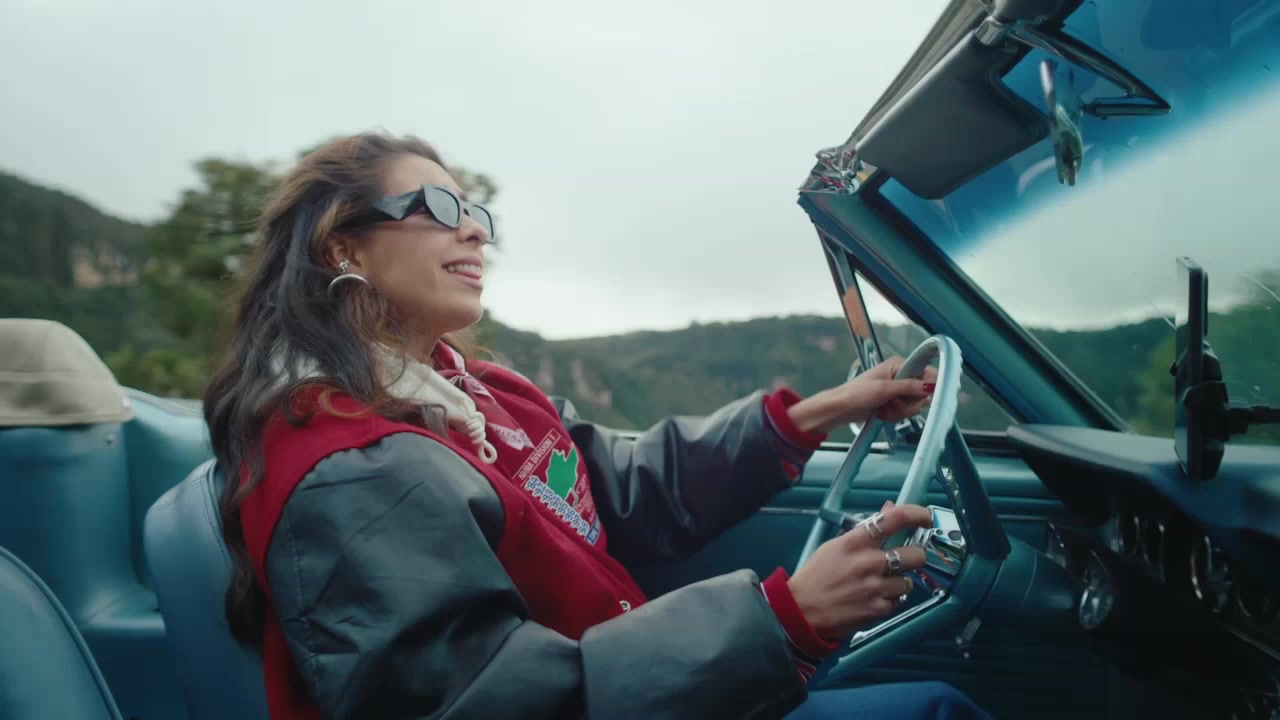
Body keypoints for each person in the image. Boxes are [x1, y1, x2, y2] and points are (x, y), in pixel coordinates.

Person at [203, 132, 990, 720]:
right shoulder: (349, 468)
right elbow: (474, 701)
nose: (476, 232)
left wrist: (818, 412)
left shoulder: (483, 394)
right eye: (439, 209)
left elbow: (628, 485)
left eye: (475, 212)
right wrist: (782, 620)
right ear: (343, 245)